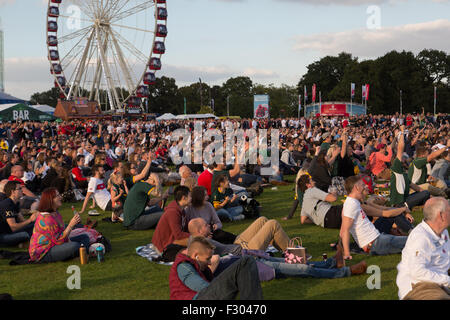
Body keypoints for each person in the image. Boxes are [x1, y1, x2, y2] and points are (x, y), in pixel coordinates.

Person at [169, 236, 263, 300]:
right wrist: (227, 283)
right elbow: (202, 287)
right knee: (246, 261)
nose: (210, 262)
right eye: (207, 259)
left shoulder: (197, 266)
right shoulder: (183, 266)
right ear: (196, 255)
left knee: (246, 263)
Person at [340, 176, 409, 258]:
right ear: (356, 187)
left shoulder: (354, 202)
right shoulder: (351, 205)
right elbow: (345, 230)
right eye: (362, 185)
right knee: (414, 240)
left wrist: (339, 247)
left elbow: (342, 230)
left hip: (377, 240)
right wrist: (347, 253)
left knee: (413, 240)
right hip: (374, 244)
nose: (365, 186)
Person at [396, 197, 450, 300]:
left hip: (437, 283)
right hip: (418, 287)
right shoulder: (421, 237)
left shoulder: (443, 233)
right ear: (441, 215)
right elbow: (418, 272)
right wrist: (447, 280)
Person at [28, 188, 90, 263]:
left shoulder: (55, 212)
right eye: (57, 196)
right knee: (75, 246)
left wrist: (73, 224)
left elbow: (61, 232)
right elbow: (59, 241)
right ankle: (80, 253)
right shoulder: (46, 219)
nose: (60, 197)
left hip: (54, 244)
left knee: (84, 237)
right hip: (44, 252)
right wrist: (71, 225)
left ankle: (80, 254)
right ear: (50, 200)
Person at [151, 186, 192, 254]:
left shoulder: (181, 210)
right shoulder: (173, 212)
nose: (192, 198)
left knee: (196, 241)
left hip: (172, 240)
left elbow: (185, 228)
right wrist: (194, 236)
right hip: (164, 245)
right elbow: (178, 235)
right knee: (195, 242)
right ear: (184, 198)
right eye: (190, 196)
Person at [0, 181, 36, 247]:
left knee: (35, 224)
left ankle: (24, 243)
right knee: (24, 234)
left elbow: (22, 220)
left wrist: (35, 219)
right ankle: (23, 243)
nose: (22, 190)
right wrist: (30, 220)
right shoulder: (7, 204)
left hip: (10, 231)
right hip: (3, 235)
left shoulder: (16, 202)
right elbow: (13, 227)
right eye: (19, 189)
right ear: (13, 192)